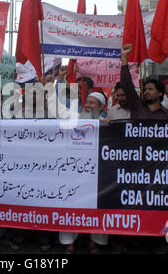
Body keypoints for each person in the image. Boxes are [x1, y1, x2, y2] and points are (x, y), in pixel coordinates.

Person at [60, 92, 110, 254]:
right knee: (70, 206)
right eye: (87, 101)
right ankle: (70, 243)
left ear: (101, 107)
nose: (87, 105)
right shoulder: (73, 122)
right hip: (74, 172)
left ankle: (94, 242)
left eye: (92, 103)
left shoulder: (106, 124)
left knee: (98, 207)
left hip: (98, 176)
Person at [120, 44, 168, 120]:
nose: (146, 92)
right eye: (145, 89)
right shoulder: (137, 107)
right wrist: (124, 57)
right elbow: (126, 84)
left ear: (160, 93)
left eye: (150, 89)